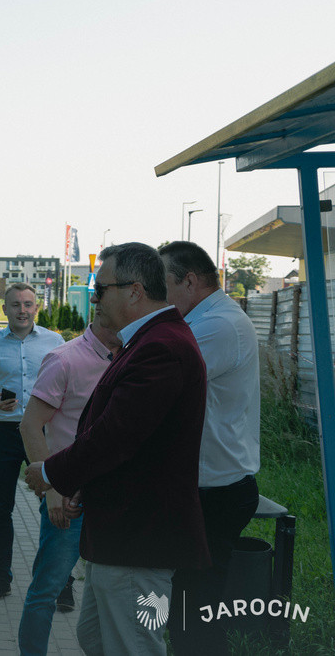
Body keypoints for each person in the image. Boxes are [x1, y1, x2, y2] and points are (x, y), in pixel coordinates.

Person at [24, 242, 210, 655]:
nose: (94, 299)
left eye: (100, 290)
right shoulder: (149, 339)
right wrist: (80, 483)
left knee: (132, 646)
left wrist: (53, 473)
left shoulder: (161, 347)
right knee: (95, 638)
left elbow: (116, 436)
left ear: (134, 290)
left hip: (138, 540)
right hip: (121, 538)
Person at [159, 241, 260, 655]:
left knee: (197, 608)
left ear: (190, 280)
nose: (156, 293)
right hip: (208, 484)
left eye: (161, 283)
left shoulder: (217, 326)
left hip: (215, 490)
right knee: (191, 601)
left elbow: (159, 380)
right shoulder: (207, 320)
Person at [17, 315, 121, 656]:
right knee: (48, 588)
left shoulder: (133, 357)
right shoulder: (65, 359)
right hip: (68, 499)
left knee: (110, 590)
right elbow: (31, 425)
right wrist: (52, 491)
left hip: (115, 498)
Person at [0, 282, 64, 601]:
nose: (22, 310)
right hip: (5, 435)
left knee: (54, 504)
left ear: (36, 308)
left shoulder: (55, 342)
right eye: (15, 305)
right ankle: (1, 578)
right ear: (5, 308)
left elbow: (68, 384)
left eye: (28, 304)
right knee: (1, 508)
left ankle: (62, 584)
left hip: (42, 434)